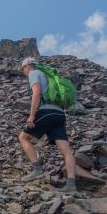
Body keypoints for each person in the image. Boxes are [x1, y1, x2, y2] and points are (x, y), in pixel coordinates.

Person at [18, 57, 77, 193]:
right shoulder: (47, 75)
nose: (24, 72)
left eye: (23, 69)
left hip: (47, 111)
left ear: (27, 66)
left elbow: (37, 93)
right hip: (60, 114)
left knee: (23, 138)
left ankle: (37, 170)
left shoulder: (34, 73)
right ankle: (72, 185)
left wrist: (32, 115)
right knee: (66, 151)